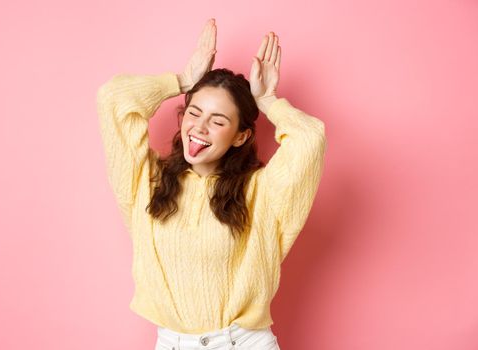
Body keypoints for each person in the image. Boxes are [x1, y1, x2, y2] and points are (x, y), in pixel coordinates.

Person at [96, 18, 327, 350]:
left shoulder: (260, 193)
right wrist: (182, 80)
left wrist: (268, 102)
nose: (199, 128)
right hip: (171, 343)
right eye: (194, 112)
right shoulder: (147, 182)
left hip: (242, 343)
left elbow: (310, 138)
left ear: (241, 136)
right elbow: (113, 98)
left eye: (218, 121)